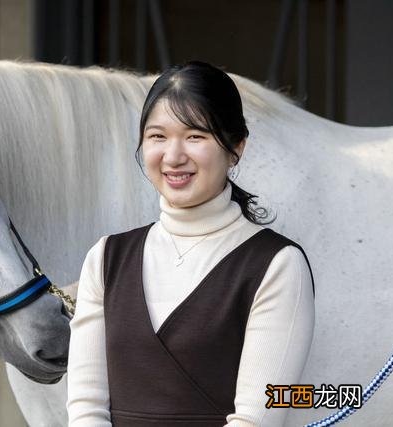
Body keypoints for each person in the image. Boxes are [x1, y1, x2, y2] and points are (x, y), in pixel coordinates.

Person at [66, 61, 316, 427]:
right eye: (157, 137)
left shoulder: (277, 264)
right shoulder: (106, 258)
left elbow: (256, 419)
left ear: (236, 147)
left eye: (196, 136)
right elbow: (86, 409)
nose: (173, 156)